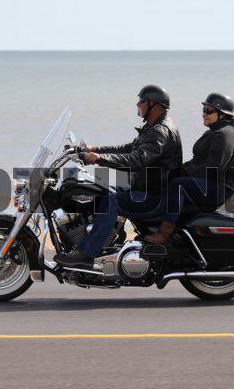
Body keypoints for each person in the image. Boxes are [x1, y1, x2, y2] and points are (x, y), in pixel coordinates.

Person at [54, 85, 182, 268]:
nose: (138, 104)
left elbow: (137, 159)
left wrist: (99, 159)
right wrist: (93, 150)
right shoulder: (152, 127)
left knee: (112, 201)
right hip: (144, 187)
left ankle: (87, 253)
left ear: (154, 105)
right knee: (101, 189)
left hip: (155, 196)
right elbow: (128, 149)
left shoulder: (160, 131)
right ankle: (102, 240)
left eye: (141, 101)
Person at [144, 93, 234, 245]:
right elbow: (197, 161)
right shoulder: (213, 131)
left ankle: (165, 233)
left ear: (222, 114)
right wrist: (175, 170)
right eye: (204, 109)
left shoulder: (225, 134)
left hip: (218, 189)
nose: (204, 114)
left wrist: (183, 173)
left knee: (179, 184)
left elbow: (213, 167)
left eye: (209, 111)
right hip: (208, 183)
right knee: (168, 179)